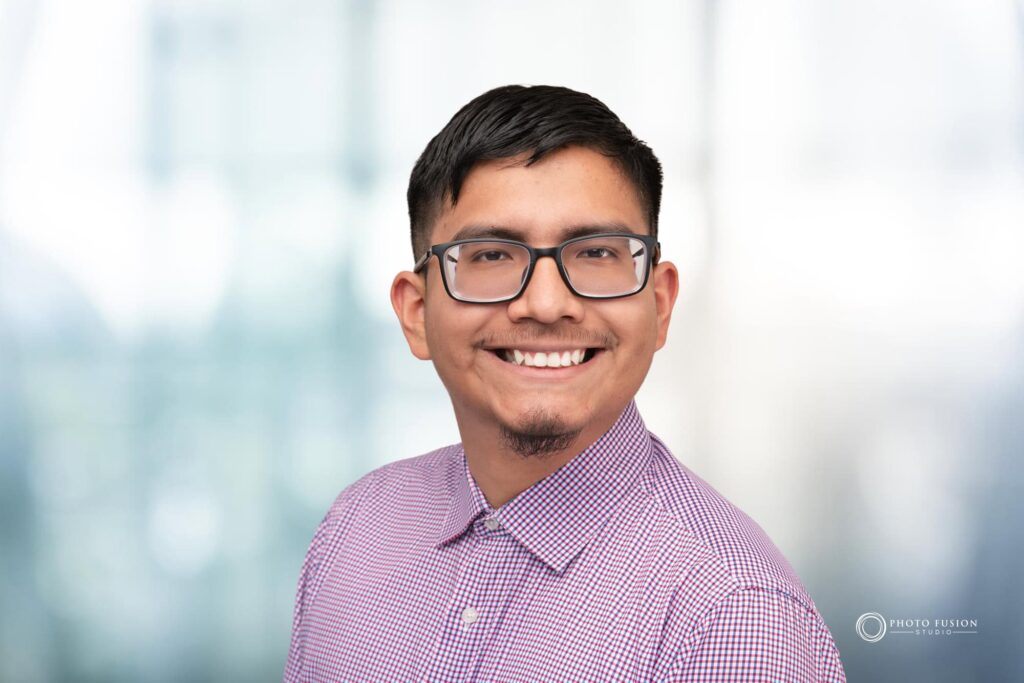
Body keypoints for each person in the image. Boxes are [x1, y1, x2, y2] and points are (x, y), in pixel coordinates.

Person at [284, 85, 846, 682]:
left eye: (597, 252)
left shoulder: (733, 614)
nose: (547, 304)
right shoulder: (358, 527)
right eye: (492, 255)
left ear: (659, 305)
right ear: (417, 313)